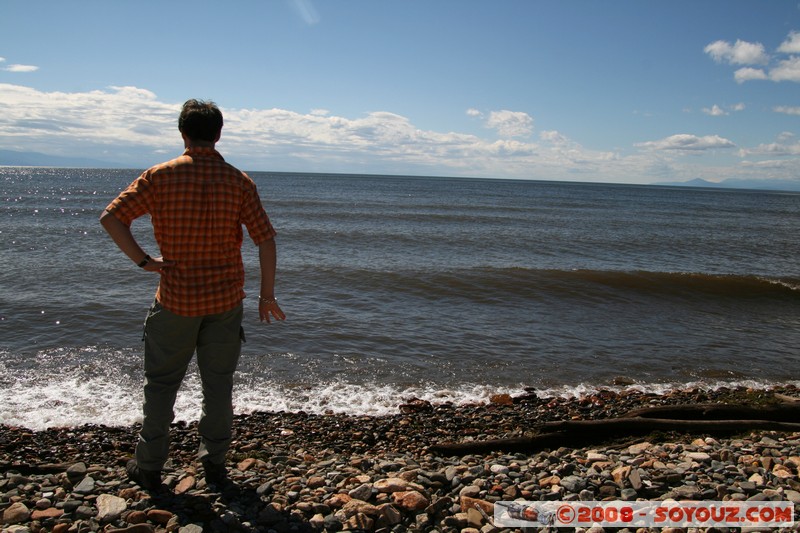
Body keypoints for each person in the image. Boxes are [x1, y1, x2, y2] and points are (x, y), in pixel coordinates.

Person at [100, 99, 286, 490]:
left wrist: (144, 262)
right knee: (218, 386)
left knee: (161, 384)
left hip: (175, 301)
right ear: (218, 134)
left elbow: (112, 218)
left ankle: (149, 465)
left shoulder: (159, 176)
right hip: (224, 302)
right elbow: (265, 240)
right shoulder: (239, 181)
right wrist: (265, 295)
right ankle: (214, 464)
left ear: (182, 132)